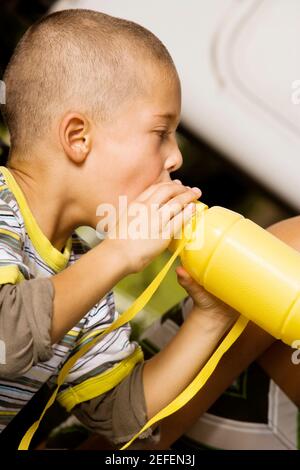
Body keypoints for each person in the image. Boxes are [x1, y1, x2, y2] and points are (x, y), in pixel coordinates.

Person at [0, 9, 238, 449]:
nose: (175, 159)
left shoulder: (84, 275)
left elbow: (122, 417)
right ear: (78, 137)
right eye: (161, 131)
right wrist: (120, 253)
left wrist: (212, 316)